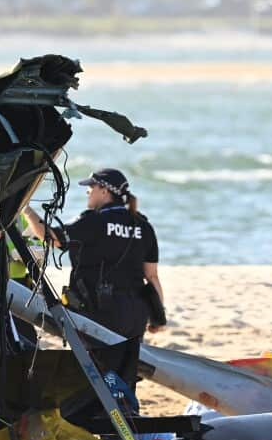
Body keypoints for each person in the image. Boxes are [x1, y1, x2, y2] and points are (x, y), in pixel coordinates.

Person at [22, 168, 165, 411]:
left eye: (91, 187)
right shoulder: (143, 225)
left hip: (102, 311)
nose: (88, 192)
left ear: (104, 190)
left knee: (99, 372)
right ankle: (127, 415)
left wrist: (24, 208)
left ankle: (113, 421)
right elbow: (151, 276)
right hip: (135, 313)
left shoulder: (95, 221)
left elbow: (53, 238)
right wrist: (158, 316)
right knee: (125, 371)